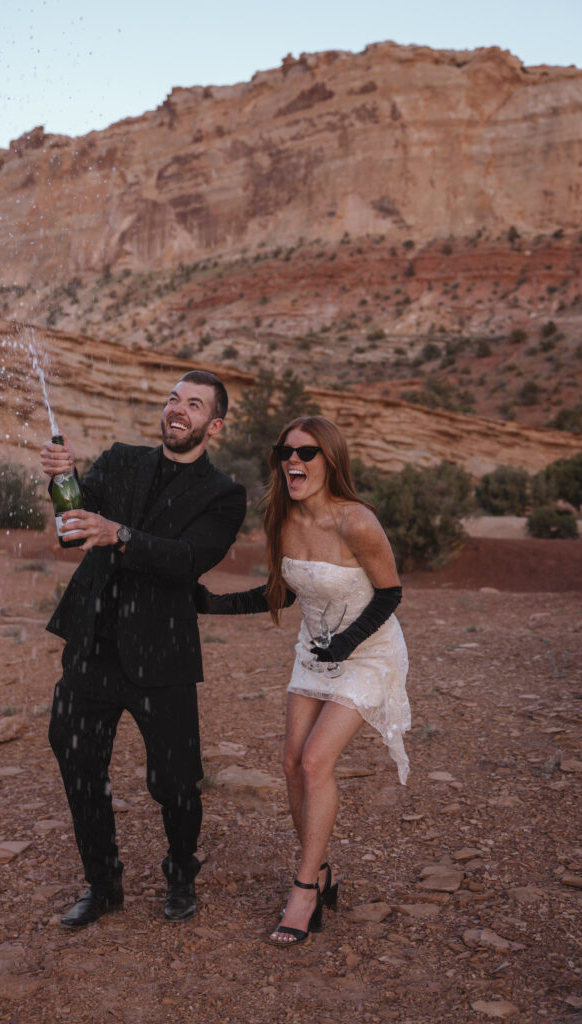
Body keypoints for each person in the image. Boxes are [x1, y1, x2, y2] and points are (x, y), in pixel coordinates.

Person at [40, 369, 246, 927]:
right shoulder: (121, 459)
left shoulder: (224, 495)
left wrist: (122, 535)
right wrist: (64, 480)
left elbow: (188, 560)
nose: (178, 410)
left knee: (176, 782)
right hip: (93, 646)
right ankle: (103, 884)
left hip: (163, 655)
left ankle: (180, 872)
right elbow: (71, 529)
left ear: (214, 425)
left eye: (194, 405)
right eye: (174, 399)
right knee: (78, 762)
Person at [196, 415, 410, 947]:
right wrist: (210, 604)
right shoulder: (283, 517)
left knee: (316, 762)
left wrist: (347, 643)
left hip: (368, 651)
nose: (293, 460)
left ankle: (304, 889)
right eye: (285, 452)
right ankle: (320, 871)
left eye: (307, 452)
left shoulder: (357, 522)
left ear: (330, 460)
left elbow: (389, 594)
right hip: (314, 653)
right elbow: (285, 594)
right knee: (291, 763)